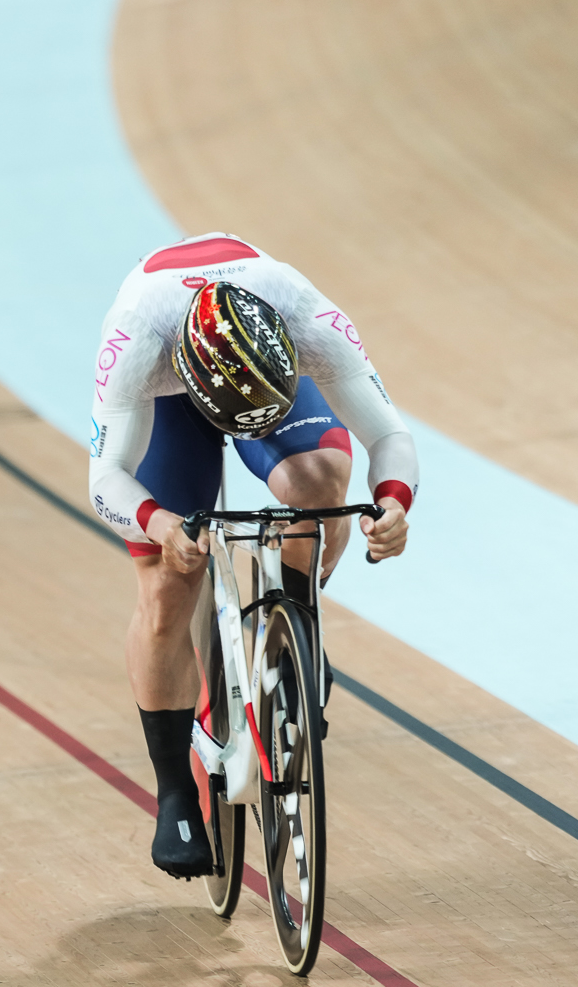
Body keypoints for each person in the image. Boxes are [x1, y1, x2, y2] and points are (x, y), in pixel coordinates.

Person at [87, 233, 419, 878]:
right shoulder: (136, 339)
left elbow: (387, 432)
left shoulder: (303, 312)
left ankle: (293, 630)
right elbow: (105, 478)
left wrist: (393, 501)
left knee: (320, 481)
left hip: (255, 362)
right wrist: (160, 524)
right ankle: (175, 790)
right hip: (166, 400)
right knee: (167, 582)